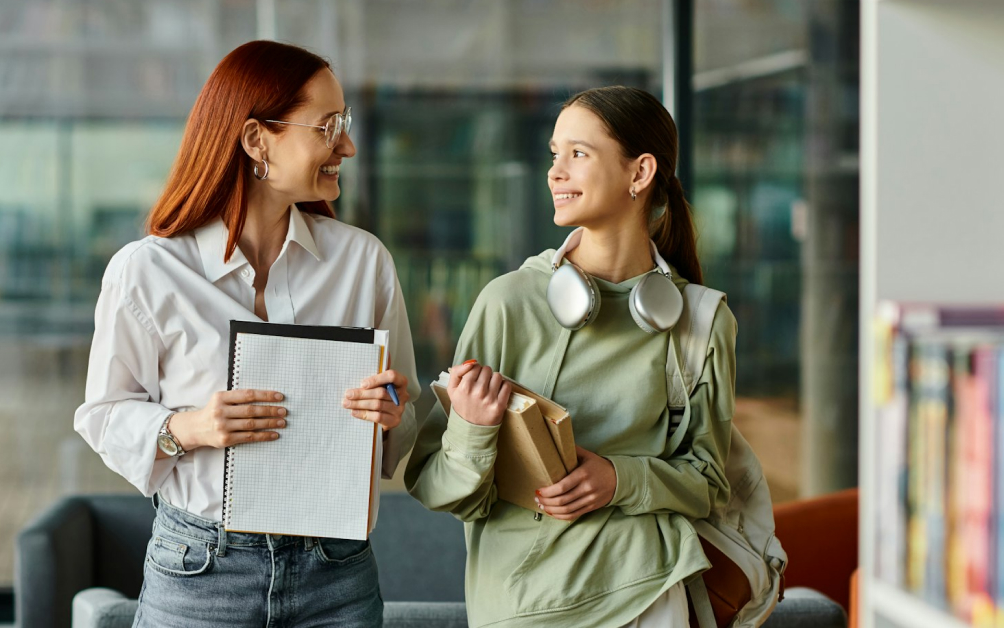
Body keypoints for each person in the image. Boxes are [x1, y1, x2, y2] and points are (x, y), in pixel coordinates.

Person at [74, 40, 419, 627]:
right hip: (200, 571)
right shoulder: (148, 270)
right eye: (329, 126)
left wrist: (391, 413)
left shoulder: (364, 263)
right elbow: (103, 415)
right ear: (258, 139)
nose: (349, 146)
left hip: (336, 574)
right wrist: (192, 428)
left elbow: (406, 423)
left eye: (346, 123)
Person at [405, 85, 736, 627]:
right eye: (554, 155)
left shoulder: (701, 321)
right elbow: (435, 486)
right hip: (520, 606)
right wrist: (472, 429)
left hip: (646, 596)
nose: (556, 172)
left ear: (640, 172)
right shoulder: (508, 302)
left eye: (578, 154)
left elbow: (710, 484)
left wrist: (618, 478)